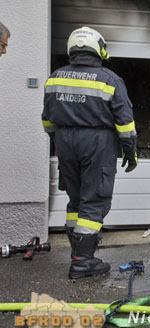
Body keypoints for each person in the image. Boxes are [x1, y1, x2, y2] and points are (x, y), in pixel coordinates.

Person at [41, 26, 138, 279]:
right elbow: (125, 125)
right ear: (99, 49)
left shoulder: (55, 78)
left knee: (76, 201)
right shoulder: (110, 79)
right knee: (94, 202)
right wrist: (130, 152)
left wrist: (61, 142)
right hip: (97, 142)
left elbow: (47, 120)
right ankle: (83, 262)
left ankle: (78, 253)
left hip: (64, 141)